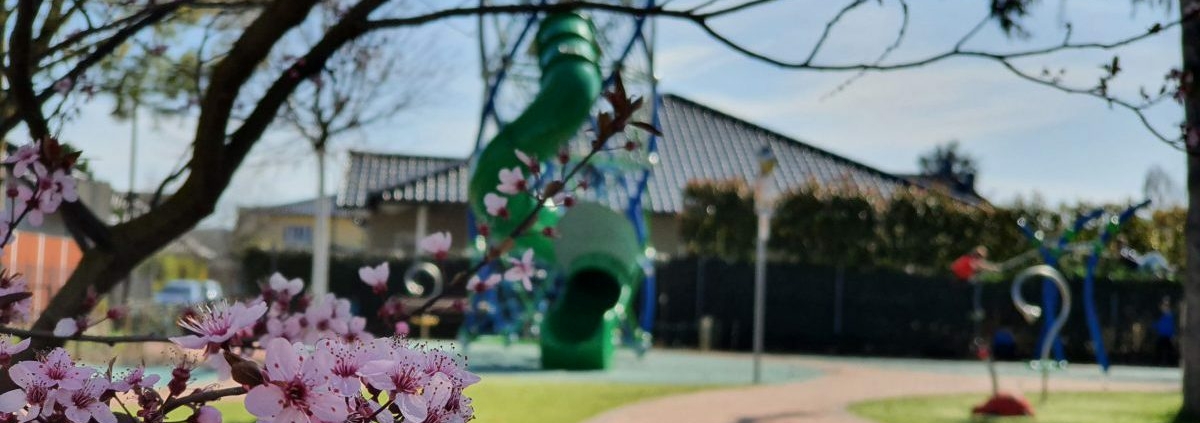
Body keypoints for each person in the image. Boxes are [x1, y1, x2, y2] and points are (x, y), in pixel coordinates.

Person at [1153, 297, 1178, 366]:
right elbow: (1158, 325)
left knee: (1169, 350)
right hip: (1162, 336)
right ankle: (1160, 363)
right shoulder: (1161, 316)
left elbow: (1172, 327)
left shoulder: (1171, 316)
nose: (1165, 307)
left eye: (1167, 305)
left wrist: (1173, 335)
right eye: (1164, 305)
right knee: (1160, 350)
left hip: (1168, 337)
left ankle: (1169, 363)